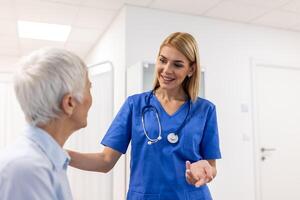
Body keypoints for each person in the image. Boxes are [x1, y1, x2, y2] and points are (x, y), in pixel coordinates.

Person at [68, 32, 221, 200]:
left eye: (177, 65)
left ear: (191, 69)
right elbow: (105, 161)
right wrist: (59, 154)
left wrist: (205, 170)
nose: (167, 70)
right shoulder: (135, 105)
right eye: (163, 60)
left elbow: (211, 166)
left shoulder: (205, 110)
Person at [0, 48, 92, 200]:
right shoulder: (27, 169)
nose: (91, 100)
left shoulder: (46, 161)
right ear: (69, 103)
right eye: (89, 88)